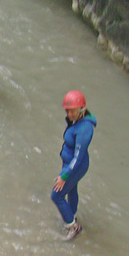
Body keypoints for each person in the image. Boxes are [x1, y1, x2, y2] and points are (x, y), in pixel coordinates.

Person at [51, 90, 97, 240]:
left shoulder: (84, 129)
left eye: (72, 111)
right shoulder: (78, 121)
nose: (69, 114)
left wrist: (64, 175)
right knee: (71, 190)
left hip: (76, 166)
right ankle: (72, 214)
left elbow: (78, 157)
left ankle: (73, 227)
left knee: (56, 195)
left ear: (81, 109)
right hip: (71, 164)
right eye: (67, 111)